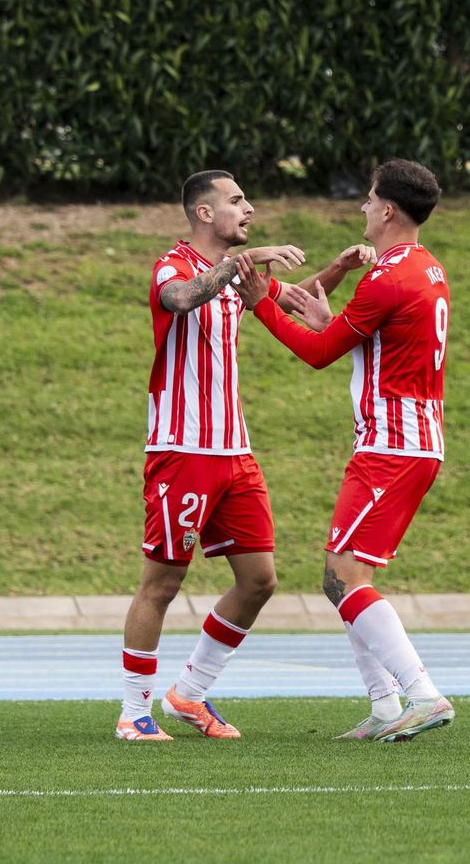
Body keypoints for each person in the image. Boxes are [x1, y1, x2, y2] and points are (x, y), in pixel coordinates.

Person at [119, 169, 372, 741]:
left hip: (235, 452)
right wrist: (243, 261)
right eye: (236, 202)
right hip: (181, 451)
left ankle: (189, 694)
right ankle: (134, 711)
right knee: (161, 583)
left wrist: (338, 268)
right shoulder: (175, 266)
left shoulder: (236, 274)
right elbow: (180, 299)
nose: (249, 209)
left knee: (260, 580)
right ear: (205, 214)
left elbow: (295, 298)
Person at [234, 158, 453, 743]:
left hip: (392, 445)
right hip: (409, 442)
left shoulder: (387, 276)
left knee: (343, 574)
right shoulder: (425, 268)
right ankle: (385, 706)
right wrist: (331, 317)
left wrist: (260, 303)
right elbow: (362, 342)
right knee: (341, 574)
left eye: (369, 199)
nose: (363, 207)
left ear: (387, 210)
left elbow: (318, 353)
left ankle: (423, 694)